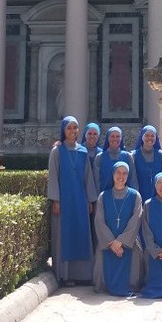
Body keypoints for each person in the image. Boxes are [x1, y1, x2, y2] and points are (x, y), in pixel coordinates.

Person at [46, 115, 96, 286]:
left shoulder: (82, 151)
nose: (73, 131)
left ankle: (83, 274)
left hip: (80, 200)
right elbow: (53, 176)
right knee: (64, 236)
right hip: (64, 201)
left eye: (75, 128)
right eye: (69, 128)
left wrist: (90, 199)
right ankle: (66, 276)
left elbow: (87, 177)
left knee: (81, 233)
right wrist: (55, 200)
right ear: (63, 130)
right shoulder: (57, 151)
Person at [93, 161, 143, 296]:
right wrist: (112, 242)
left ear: (128, 176)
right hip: (107, 243)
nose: (121, 176)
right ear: (113, 174)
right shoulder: (103, 196)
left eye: (124, 173)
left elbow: (136, 219)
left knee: (132, 271)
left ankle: (130, 285)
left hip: (129, 242)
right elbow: (99, 221)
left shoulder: (135, 195)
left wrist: (120, 241)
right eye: (118, 172)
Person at [97, 126, 137, 194]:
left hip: (124, 198)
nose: (115, 139)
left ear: (121, 138)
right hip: (104, 198)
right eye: (112, 136)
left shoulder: (128, 157)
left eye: (118, 136)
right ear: (108, 138)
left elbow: (133, 180)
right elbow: (96, 181)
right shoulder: (100, 157)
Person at [132, 124, 162, 194]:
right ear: (142, 137)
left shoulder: (160, 155)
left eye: (152, 136)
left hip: (157, 195)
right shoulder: (134, 155)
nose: (150, 138)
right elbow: (133, 179)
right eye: (146, 135)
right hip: (139, 194)